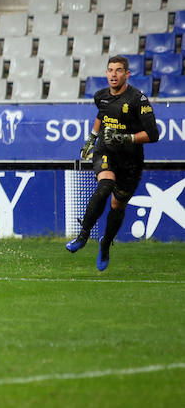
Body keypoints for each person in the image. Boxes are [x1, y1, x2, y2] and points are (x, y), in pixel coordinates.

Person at [68, 55, 159, 271]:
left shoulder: (138, 99)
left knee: (118, 205)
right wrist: (91, 138)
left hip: (131, 161)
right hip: (106, 151)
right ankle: (82, 235)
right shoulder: (100, 96)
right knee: (105, 186)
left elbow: (153, 134)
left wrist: (126, 138)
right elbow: (102, 115)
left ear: (127, 74)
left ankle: (106, 243)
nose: (113, 74)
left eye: (118, 70)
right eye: (110, 70)